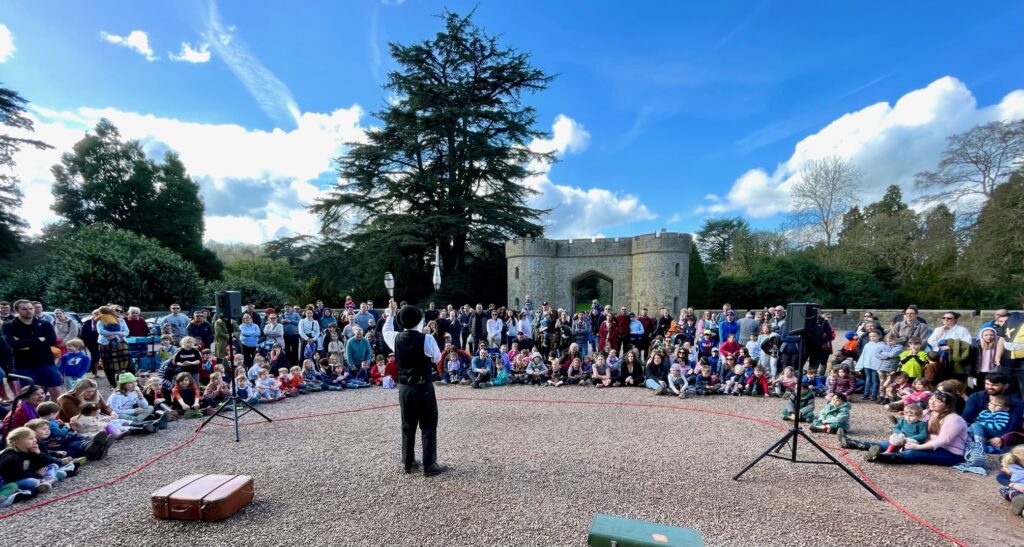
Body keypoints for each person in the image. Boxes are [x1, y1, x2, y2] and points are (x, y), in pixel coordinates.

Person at [383, 303, 446, 477]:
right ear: (419, 320)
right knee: (428, 425)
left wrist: (391, 314)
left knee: (407, 425)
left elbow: (386, 330)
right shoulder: (426, 339)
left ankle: (408, 462)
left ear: (401, 321)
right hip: (423, 386)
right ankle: (429, 464)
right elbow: (437, 357)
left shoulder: (395, 338)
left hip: (404, 387)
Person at [2, 300, 61, 399]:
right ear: (16, 311)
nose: (29, 311)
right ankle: (32, 414)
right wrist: (40, 339)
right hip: (24, 365)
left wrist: (23, 342)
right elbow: (13, 344)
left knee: (54, 389)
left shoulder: (44, 324)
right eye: (24, 309)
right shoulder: (9, 326)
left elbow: (51, 341)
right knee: (29, 393)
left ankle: (58, 412)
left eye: (31, 308)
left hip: (45, 362)